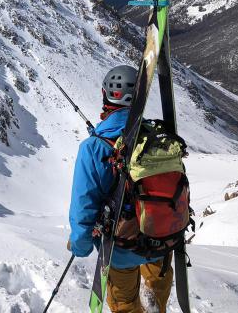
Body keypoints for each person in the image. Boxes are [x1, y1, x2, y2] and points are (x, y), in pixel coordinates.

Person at [68, 64, 173, 313]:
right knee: (156, 290)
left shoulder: (94, 147)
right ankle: (154, 300)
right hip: (161, 239)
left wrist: (80, 245)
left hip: (121, 247)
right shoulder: (156, 135)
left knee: (125, 303)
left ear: (105, 95)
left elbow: (84, 204)